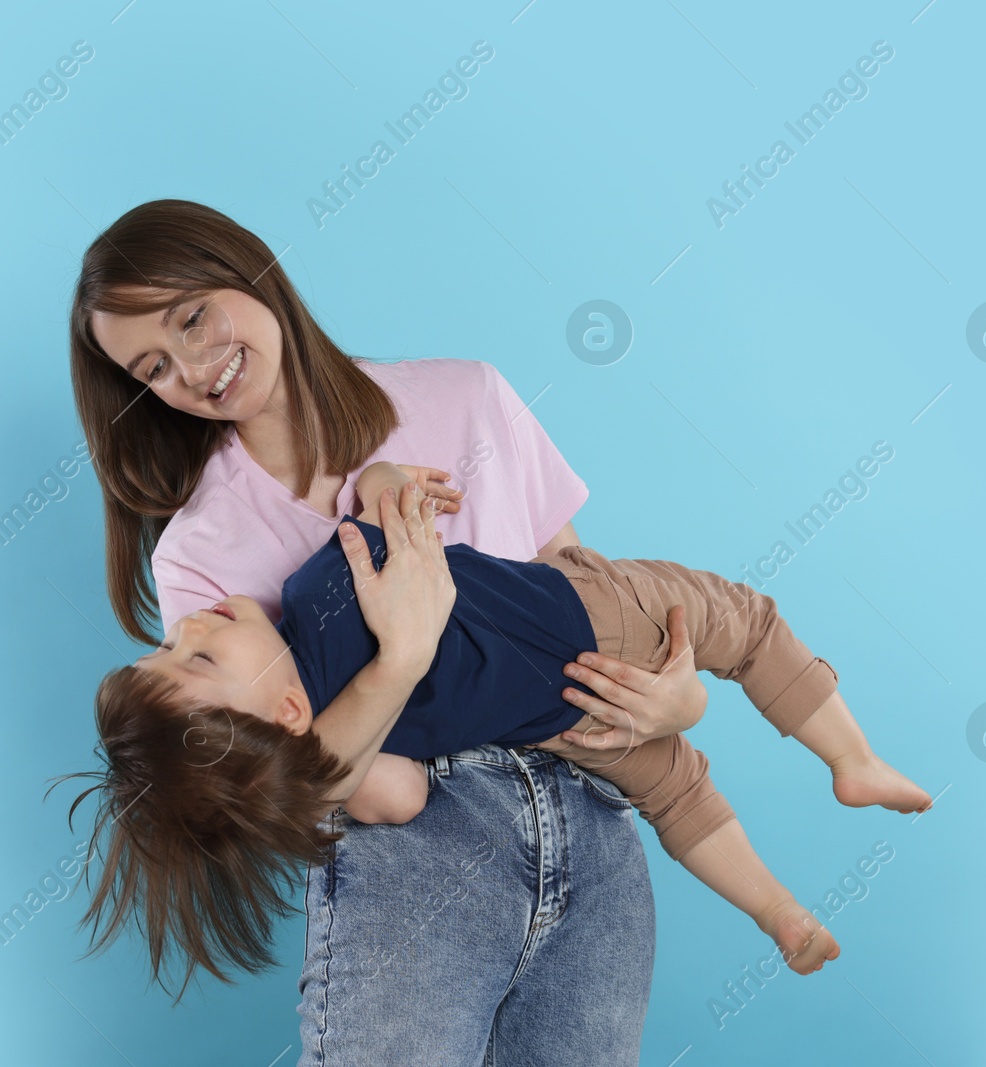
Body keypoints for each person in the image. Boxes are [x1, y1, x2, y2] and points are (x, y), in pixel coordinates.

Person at [69, 199, 719, 1065]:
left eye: (193, 316)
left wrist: (674, 698)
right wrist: (403, 657)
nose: (193, 364)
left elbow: (587, 596)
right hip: (409, 848)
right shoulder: (200, 552)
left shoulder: (469, 395)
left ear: (249, 268)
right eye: (153, 364)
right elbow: (289, 780)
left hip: (590, 817)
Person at [67, 461, 931, 1000]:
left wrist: (296, 772)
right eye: (196, 661)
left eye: (170, 642)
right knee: (747, 620)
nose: (194, 626)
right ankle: (850, 757)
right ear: (284, 714)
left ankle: (781, 913)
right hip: (592, 612)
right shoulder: (313, 592)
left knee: (678, 790)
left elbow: (398, 795)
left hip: (562, 725)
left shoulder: (355, 751)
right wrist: (386, 484)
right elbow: (378, 506)